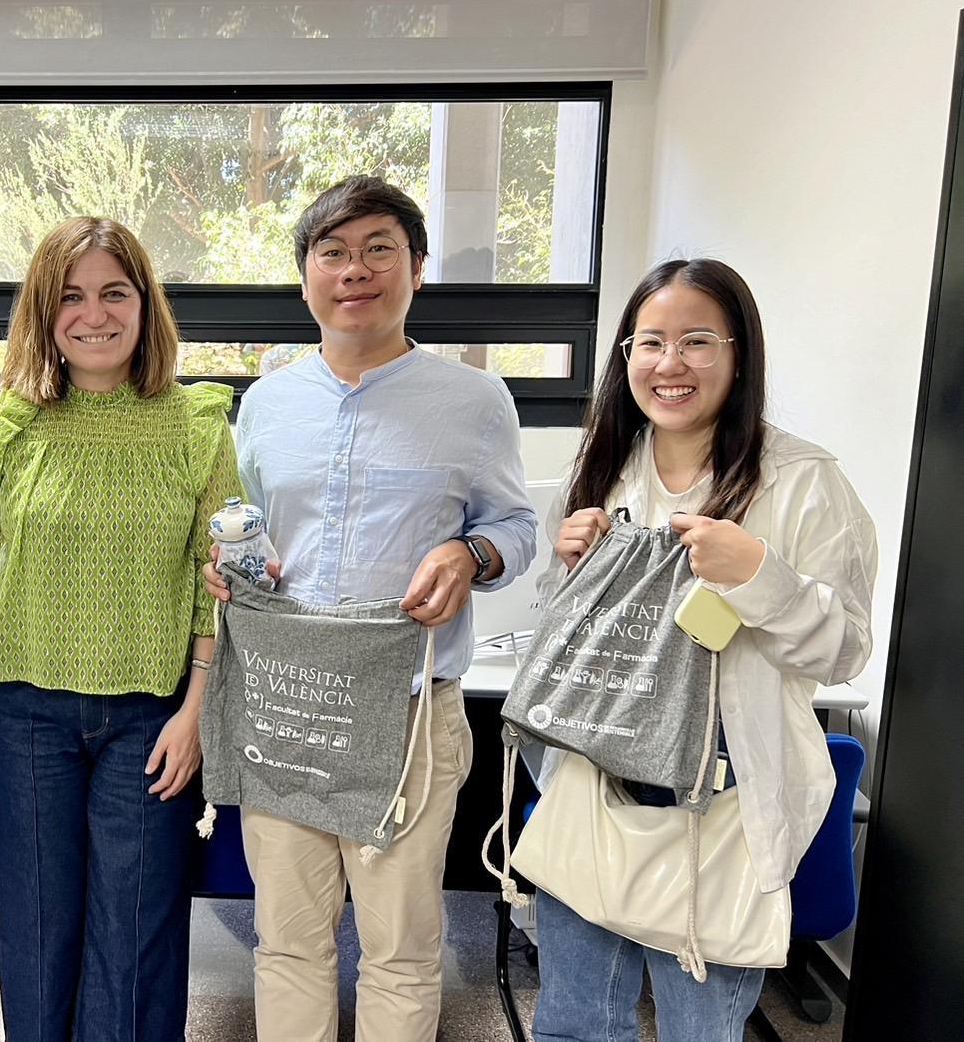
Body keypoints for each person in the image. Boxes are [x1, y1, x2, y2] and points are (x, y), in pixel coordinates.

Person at [204, 175, 538, 1041]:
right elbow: (247, 530)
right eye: (332, 252)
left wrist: (469, 555)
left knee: (399, 948)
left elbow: (515, 527)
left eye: (378, 249)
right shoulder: (266, 404)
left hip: (408, 710)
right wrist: (231, 569)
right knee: (287, 941)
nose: (354, 269)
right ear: (305, 278)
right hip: (287, 705)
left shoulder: (474, 400)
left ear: (416, 269)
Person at [0, 216, 241, 1042]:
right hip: (26, 711)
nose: (93, 315)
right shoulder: (13, 420)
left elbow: (218, 582)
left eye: (113, 293)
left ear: (144, 304)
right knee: (36, 923)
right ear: (44, 313)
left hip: (150, 717)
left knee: (136, 926)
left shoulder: (196, 424)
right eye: (70, 296)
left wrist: (194, 713)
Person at [530, 258, 878, 1042]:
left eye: (695, 341)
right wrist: (568, 572)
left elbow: (844, 650)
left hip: (720, 803)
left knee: (698, 1029)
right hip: (598, 783)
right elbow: (559, 639)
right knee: (574, 1024)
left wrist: (758, 575)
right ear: (625, 356)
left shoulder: (801, 481)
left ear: (737, 354)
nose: (669, 364)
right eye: (649, 342)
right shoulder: (602, 469)